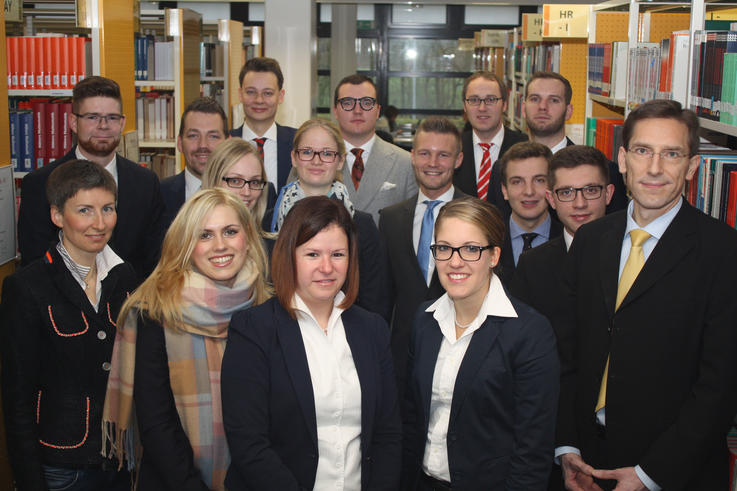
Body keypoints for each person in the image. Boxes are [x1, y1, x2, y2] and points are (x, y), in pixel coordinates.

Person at [556, 99, 737, 491]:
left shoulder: (724, 252)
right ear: (622, 160)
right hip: (585, 462)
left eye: (671, 154)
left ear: (691, 167)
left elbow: (721, 386)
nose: (655, 168)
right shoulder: (591, 240)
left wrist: (649, 474)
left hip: (672, 471)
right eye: (642, 151)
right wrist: (566, 445)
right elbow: (567, 352)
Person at [222, 196, 402, 490]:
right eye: (312, 254)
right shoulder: (253, 330)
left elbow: (388, 434)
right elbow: (249, 444)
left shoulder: (373, 330)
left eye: (338, 254)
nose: (327, 267)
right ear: (289, 255)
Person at [101, 189, 271, 491]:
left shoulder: (268, 307)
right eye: (204, 235)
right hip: (175, 480)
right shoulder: (153, 312)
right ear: (185, 245)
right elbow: (156, 424)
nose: (220, 246)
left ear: (247, 237)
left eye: (230, 231)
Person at [401, 196, 559, 490]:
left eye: (471, 249)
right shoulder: (424, 321)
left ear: (494, 256)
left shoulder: (529, 332)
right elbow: (411, 419)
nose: (455, 261)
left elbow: (533, 449)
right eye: (444, 248)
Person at [1, 160, 138, 491]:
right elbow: (17, 398)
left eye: (108, 208)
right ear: (57, 216)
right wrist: (29, 480)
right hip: (62, 466)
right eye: (85, 210)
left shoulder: (127, 277)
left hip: (123, 459)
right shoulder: (27, 288)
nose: (100, 222)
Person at [17, 76, 165, 279]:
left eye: (112, 117)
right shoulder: (39, 184)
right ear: (73, 123)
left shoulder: (146, 183)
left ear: (122, 123)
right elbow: (34, 264)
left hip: (132, 304)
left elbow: (154, 261)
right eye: (93, 117)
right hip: (63, 306)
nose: (103, 126)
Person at [378, 116, 467, 400]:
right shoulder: (390, 219)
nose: (433, 162)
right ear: (413, 157)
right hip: (401, 359)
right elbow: (382, 297)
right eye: (425, 153)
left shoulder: (477, 216)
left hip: (459, 355)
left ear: (458, 160)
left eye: (443, 155)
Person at [268, 118, 391, 320]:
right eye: (307, 152)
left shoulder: (362, 225)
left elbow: (376, 301)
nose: (316, 161)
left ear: (340, 161)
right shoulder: (270, 222)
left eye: (327, 153)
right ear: (293, 157)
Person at [511, 145, 614, 325]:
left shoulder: (631, 256)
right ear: (551, 199)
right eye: (566, 192)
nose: (579, 203)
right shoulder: (532, 266)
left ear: (608, 194)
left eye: (590, 190)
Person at [523, 71, 627, 212]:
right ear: (523, 109)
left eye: (553, 100)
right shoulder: (503, 168)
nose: (542, 106)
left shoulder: (607, 172)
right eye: (535, 99)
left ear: (568, 111)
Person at [333, 74, 417, 225]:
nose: (357, 110)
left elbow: (413, 224)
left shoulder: (406, 163)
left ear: (378, 111)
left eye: (366, 102)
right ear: (335, 111)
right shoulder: (313, 160)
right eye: (348, 102)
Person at [453, 71, 528, 217]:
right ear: (464, 106)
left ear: (505, 105)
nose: (482, 108)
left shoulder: (524, 146)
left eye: (491, 100)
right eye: (474, 100)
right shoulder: (452, 149)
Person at [230, 57, 296, 205]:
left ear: (280, 96)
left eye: (267, 93)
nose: (259, 100)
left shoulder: (299, 144)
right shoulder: (225, 142)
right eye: (251, 92)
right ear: (240, 95)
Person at [497, 141, 562, 284]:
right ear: (504, 190)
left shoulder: (570, 241)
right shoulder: (487, 240)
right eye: (517, 182)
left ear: (551, 186)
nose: (529, 191)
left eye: (539, 180)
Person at [160, 97, 229, 229]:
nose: (203, 145)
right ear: (180, 143)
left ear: (228, 142)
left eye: (213, 136)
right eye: (193, 135)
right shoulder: (158, 195)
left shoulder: (244, 193)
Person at [201, 137, 269, 232]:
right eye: (235, 181)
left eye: (254, 182)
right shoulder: (190, 241)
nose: (247, 192)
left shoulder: (273, 245)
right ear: (214, 180)